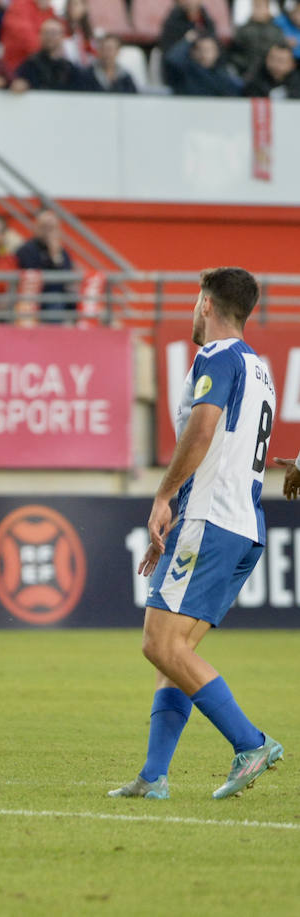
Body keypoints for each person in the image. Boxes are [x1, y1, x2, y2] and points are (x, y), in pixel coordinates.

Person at [109, 268, 283, 801]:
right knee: (174, 653)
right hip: (242, 527)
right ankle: (155, 775)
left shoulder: (216, 357)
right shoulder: (260, 370)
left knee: (158, 643)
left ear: (206, 303)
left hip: (210, 519)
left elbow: (202, 430)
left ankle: (250, 742)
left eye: (193, 300)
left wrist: (164, 496)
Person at [15, 209, 75, 317]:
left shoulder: (61, 251)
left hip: (59, 297)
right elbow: (34, 277)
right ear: (36, 227)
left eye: (51, 228)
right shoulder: (26, 249)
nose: (48, 232)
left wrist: (55, 256)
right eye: (44, 227)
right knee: (55, 300)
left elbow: (67, 276)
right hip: (34, 298)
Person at [12, 19, 79, 92]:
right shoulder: (30, 65)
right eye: (46, 33)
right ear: (40, 36)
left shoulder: (70, 69)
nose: (49, 37)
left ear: (62, 36)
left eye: (53, 33)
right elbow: (14, 82)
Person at [165, 35, 240, 97]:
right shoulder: (186, 71)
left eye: (210, 49)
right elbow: (173, 59)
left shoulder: (222, 75)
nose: (206, 54)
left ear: (217, 52)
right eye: (203, 49)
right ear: (194, 53)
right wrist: (187, 41)